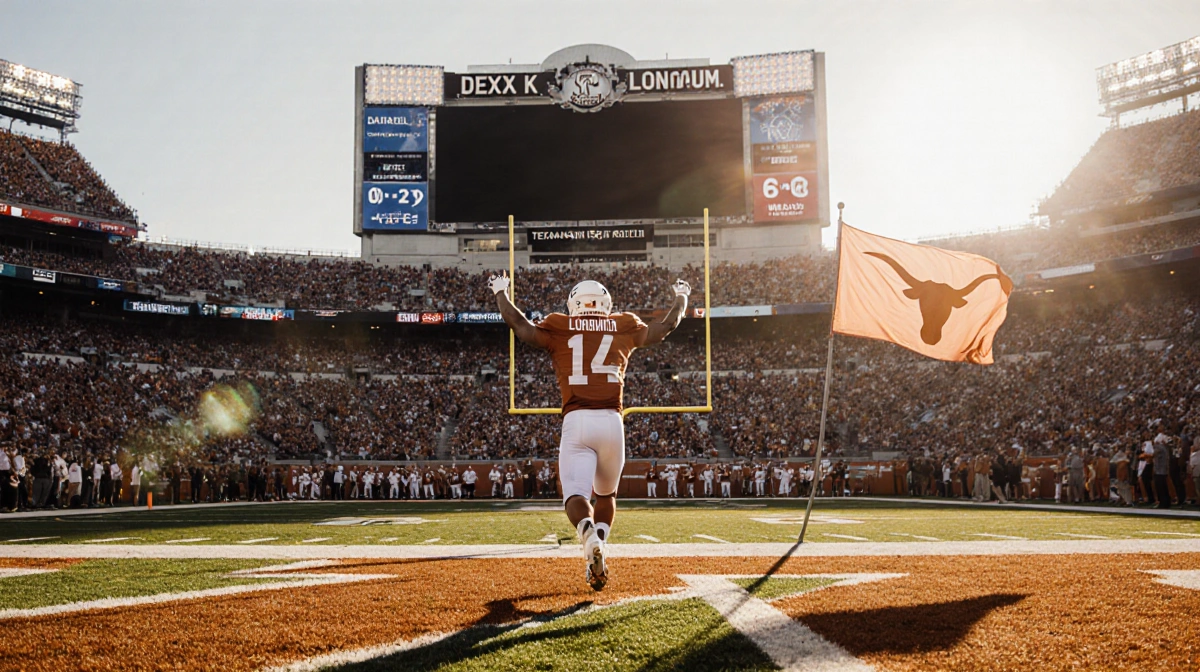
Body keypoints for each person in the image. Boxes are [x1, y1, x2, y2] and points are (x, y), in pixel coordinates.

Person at [492, 273, 688, 590]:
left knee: (576, 496)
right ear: (606, 304)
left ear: (574, 305)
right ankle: (600, 542)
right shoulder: (624, 323)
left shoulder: (560, 324)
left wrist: (501, 291)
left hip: (578, 419)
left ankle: (588, 538)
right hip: (612, 421)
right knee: (606, 495)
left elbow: (521, 327)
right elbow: (666, 327)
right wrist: (682, 296)